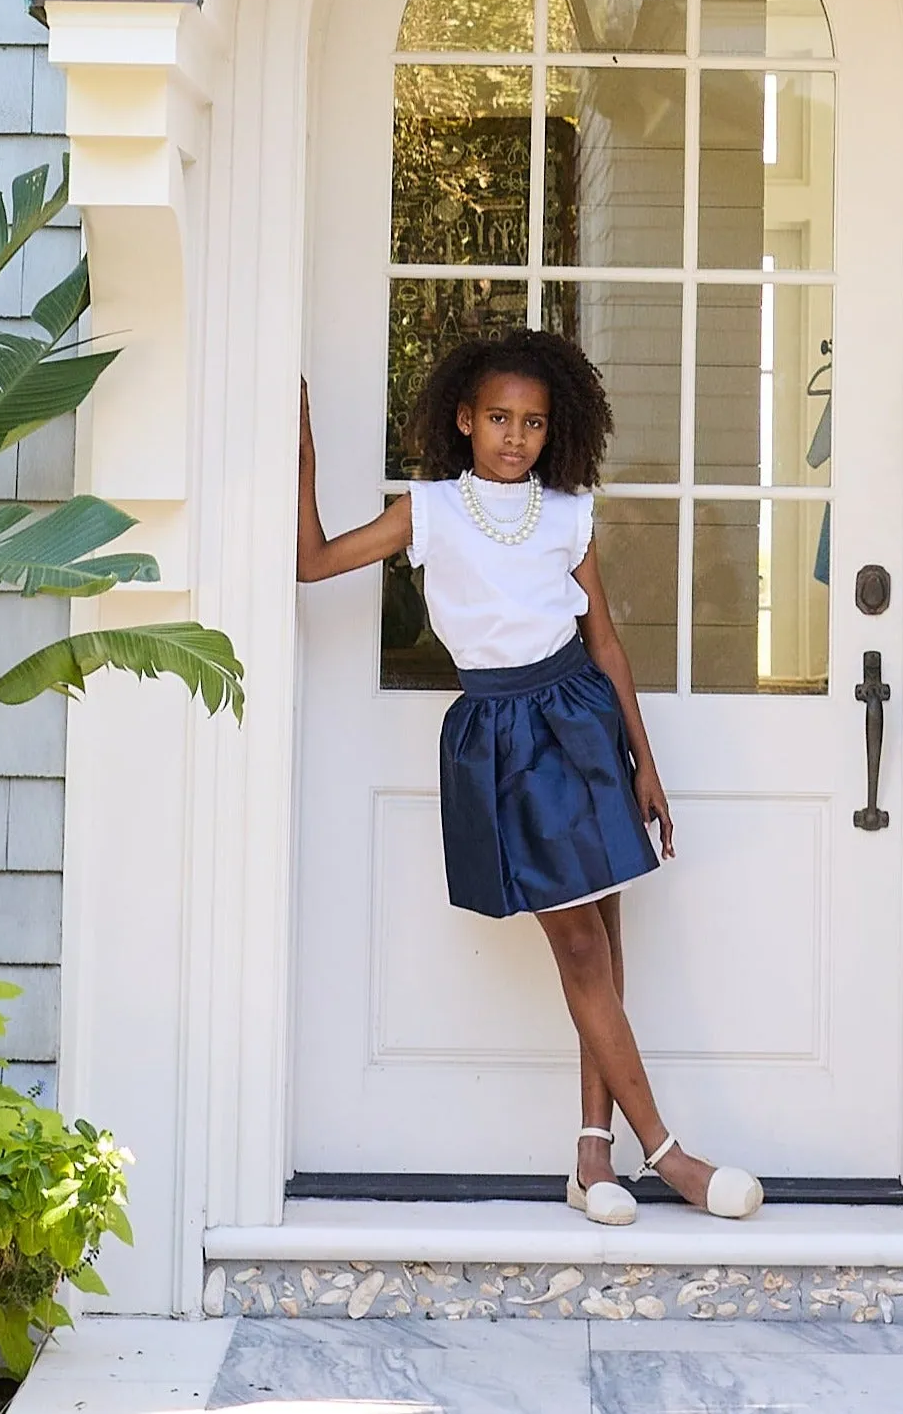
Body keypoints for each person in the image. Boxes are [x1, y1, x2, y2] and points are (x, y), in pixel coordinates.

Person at [296, 329, 763, 1224]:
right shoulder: (427, 509)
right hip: (502, 733)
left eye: (535, 423)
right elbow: (315, 561)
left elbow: (606, 642)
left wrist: (645, 763)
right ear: (463, 420)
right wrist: (303, 458)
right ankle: (668, 1153)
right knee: (580, 945)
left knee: (607, 937)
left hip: (581, 719)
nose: (516, 437)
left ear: (557, 432)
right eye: (500, 418)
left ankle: (594, 1158)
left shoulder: (565, 513)